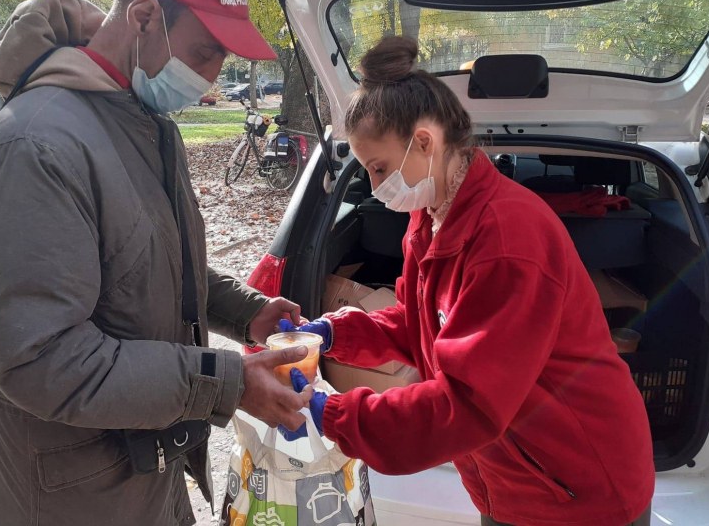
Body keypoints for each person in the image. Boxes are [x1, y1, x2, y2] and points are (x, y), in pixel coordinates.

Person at [0, 0, 312, 526]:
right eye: (205, 53)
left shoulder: (144, 123)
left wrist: (243, 311)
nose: (213, 77)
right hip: (71, 498)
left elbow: (157, 261)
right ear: (145, 17)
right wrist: (222, 382)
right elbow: (39, 361)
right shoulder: (35, 147)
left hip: (145, 469)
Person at [279, 36, 655, 526]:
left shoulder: (507, 239)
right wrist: (336, 333)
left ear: (424, 142)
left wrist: (335, 415)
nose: (374, 188)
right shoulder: (434, 215)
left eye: (378, 168)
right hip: (512, 479)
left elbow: (470, 403)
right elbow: (425, 326)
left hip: (578, 488)